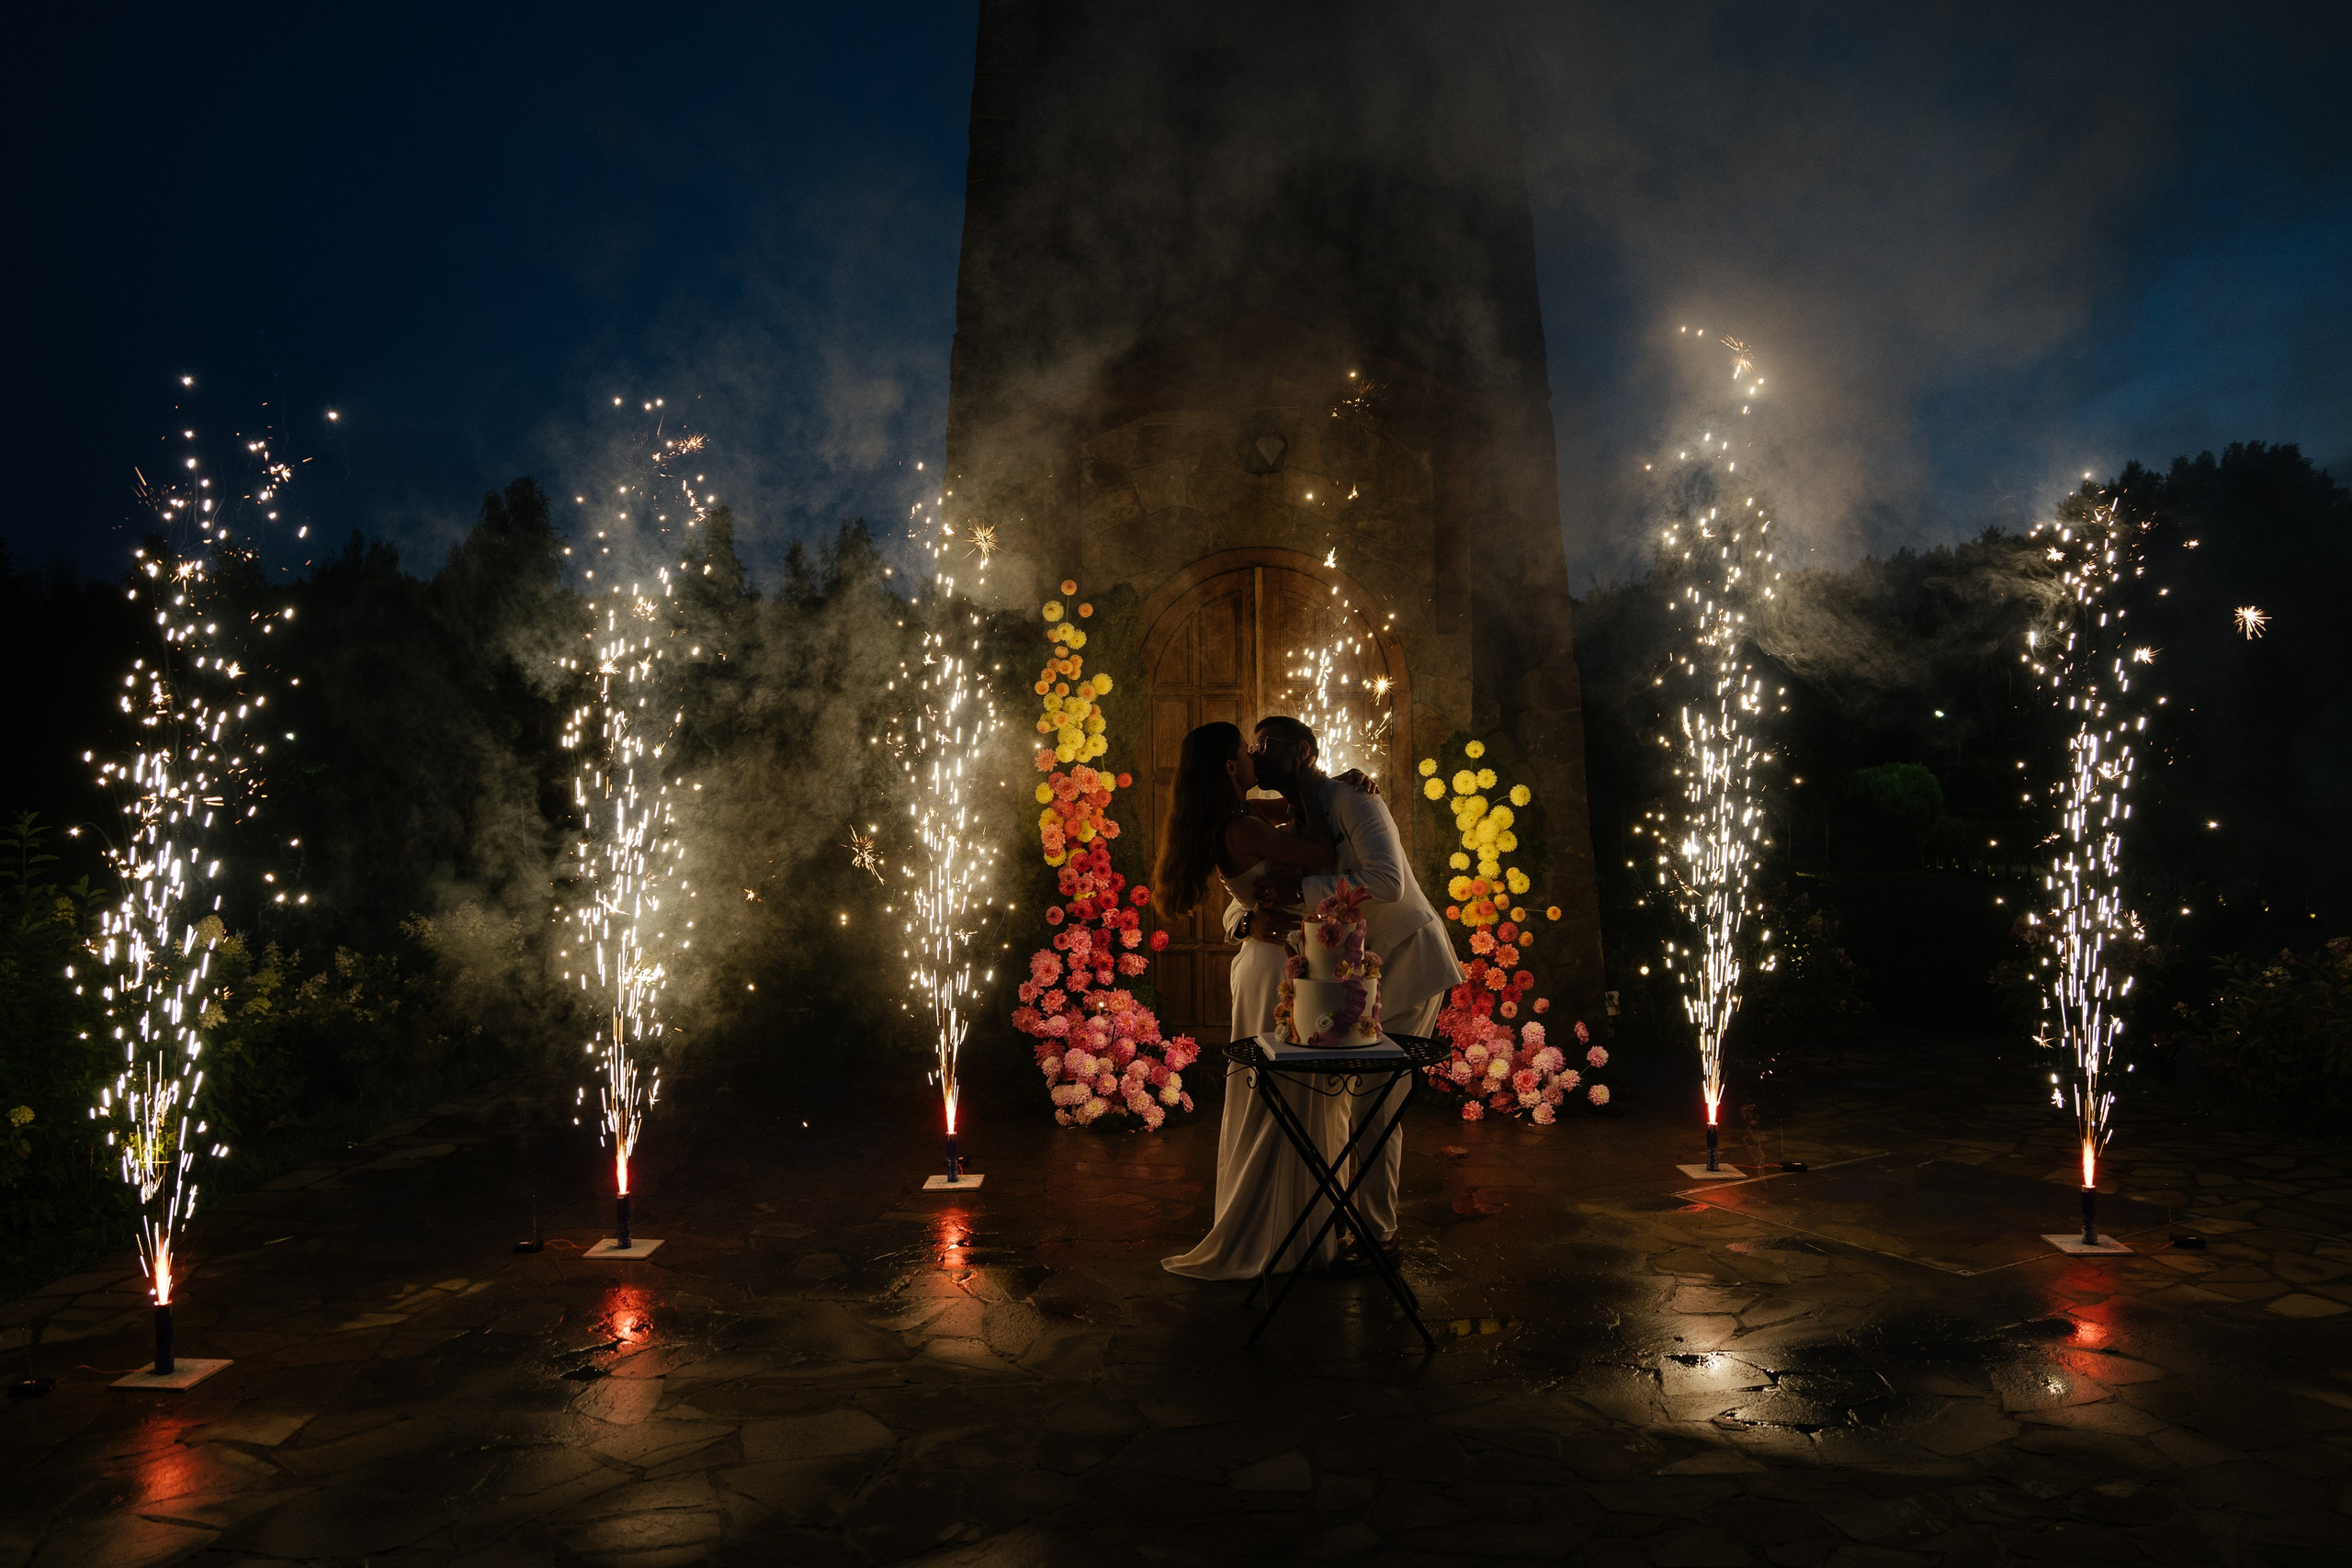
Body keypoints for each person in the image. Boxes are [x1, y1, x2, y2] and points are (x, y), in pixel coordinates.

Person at [1249, 715, 1464, 1277]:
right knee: (1342, 1103)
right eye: (1251, 745)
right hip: (1350, 976)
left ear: (1302, 751)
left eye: (1266, 744)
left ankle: (1377, 1237)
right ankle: (1345, 1218)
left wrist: (1301, 892)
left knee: (1376, 1103)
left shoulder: (1355, 800)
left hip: (1406, 962)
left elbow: (1388, 883)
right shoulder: (1292, 815)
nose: (1255, 753)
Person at [1156, 720, 1349, 1280]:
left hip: (1271, 959)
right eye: (1246, 750)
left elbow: (1285, 811)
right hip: (1273, 967)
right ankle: (1275, 1229)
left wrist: (1325, 782)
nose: (1253, 757)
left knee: (1282, 1087)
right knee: (1281, 1090)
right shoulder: (1241, 829)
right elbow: (1322, 848)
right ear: (1228, 767)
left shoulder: (1238, 819)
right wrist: (1312, 784)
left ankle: (1290, 1219)